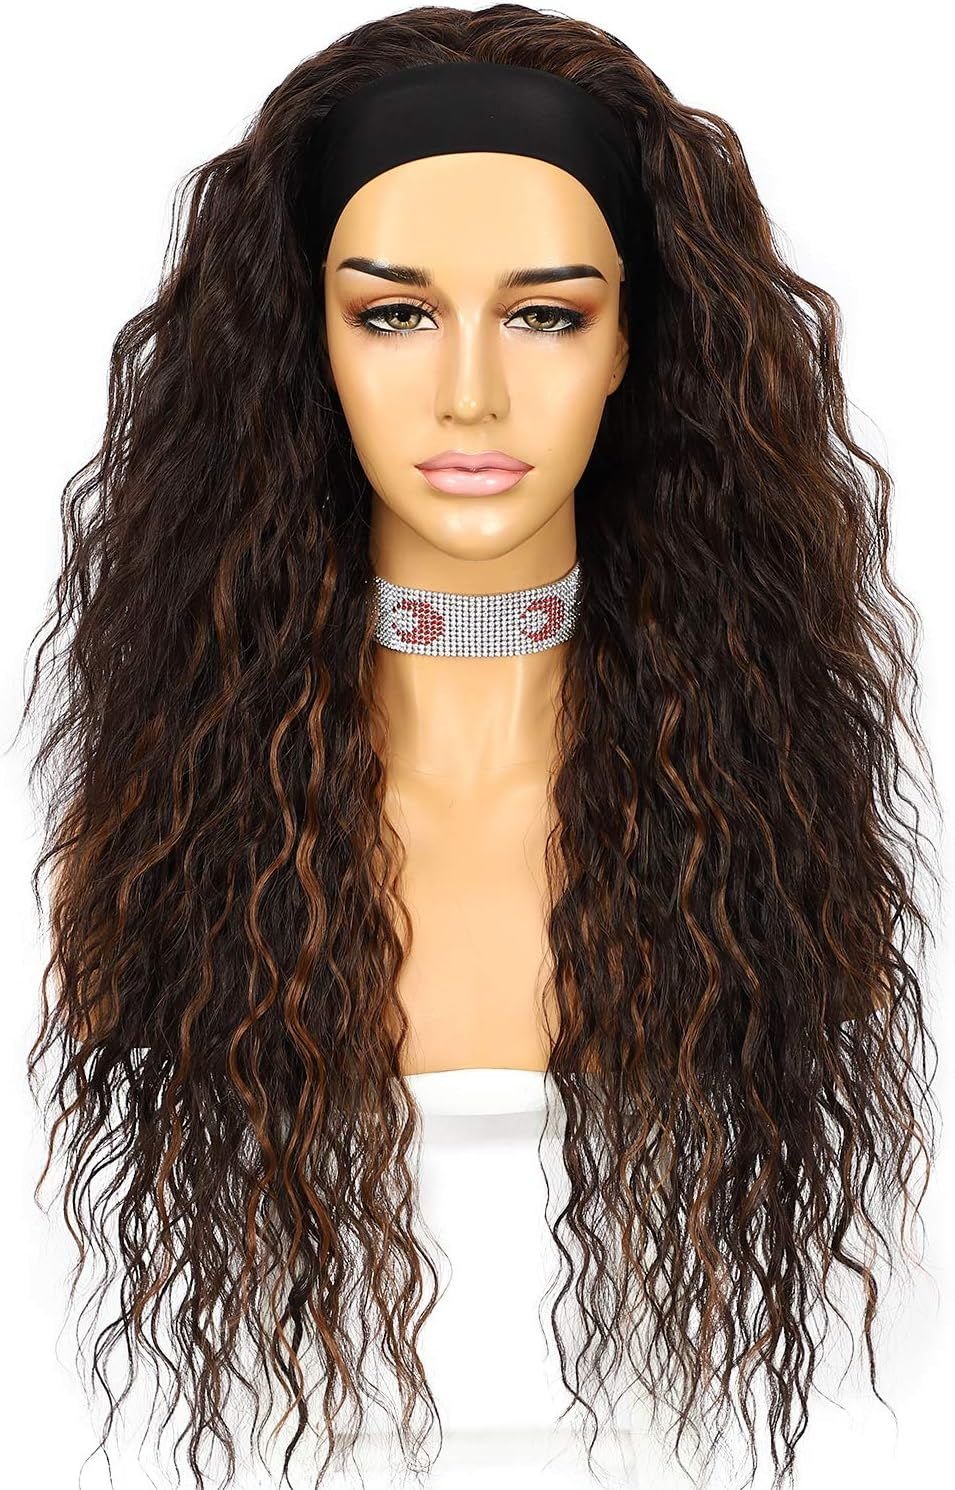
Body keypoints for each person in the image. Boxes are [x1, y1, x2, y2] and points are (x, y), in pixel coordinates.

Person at [21, 6, 938, 1490]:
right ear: (307, 342)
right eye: (392, 315)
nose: (469, 393)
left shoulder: (776, 838)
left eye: (545, 315)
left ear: (634, 339)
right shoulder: (158, 849)